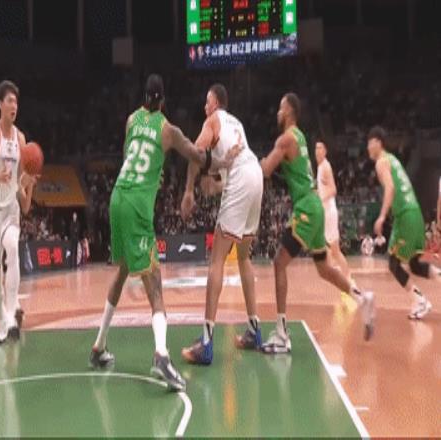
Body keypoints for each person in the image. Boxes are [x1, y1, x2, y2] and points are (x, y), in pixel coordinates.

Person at [89, 74, 238, 391]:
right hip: (136, 207)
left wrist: (149, 171)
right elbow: (197, 155)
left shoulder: (132, 120)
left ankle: (99, 346)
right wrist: (223, 160)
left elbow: (130, 154)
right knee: (155, 285)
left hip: (117, 198)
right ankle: (161, 355)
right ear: (163, 101)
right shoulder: (168, 130)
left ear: (143, 97)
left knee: (122, 270)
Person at [259, 93, 375, 353]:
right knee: (324, 268)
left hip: (307, 208)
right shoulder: (300, 137)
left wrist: (251, 162)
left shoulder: (286, 138)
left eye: (280, 108)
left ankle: (281, 334)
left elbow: (265, 170)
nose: (277, 112)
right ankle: (361, 297)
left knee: (279, 263)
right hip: (315, 207)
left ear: (289, 111)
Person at [180, 84, 264, 365]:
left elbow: (195, 151)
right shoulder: (236, 124)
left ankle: (206, 343)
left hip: (241, 177)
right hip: (256, 175)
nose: (205, 107)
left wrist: (189, 191)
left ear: (216, 102)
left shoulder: (213, 120)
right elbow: (224, 170)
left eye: (207, 102)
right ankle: (254, 330)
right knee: (244, 257)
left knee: (216, 260)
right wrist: (213, 179)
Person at [0, 80, 37, 344]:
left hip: (10, 208)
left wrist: (28, 184)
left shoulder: (20, 139)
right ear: (0, 104)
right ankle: (1, 320)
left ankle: (12, 314)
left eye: (16, 101)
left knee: (13, 248)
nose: (14, 105)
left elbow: (25, 203)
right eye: (10, 101)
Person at [367, 126, 440, 319]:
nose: (368, 147)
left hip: (405, 216)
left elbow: (390, 188)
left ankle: (420, 301)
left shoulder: (382, 162)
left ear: (378, 142)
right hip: (415, 213)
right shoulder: (393, 159)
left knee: (393, 263)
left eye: (370, 142)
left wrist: (382, 216)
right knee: (415, 264)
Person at [315, 141, 352, 281]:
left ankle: (348, 278)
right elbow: (323, 189)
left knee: (335, 250)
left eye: (320, 148)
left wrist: (320, 199)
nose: (317, 150)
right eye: (316, 148)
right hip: (324, 212)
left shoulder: (326, 166)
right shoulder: (320, 167)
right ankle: (336, 273)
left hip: (329, 212)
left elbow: (333, 190)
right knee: (327, 247)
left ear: (325, 151)